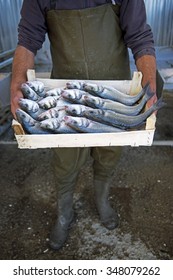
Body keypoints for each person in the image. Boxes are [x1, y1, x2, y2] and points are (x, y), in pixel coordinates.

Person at [11, 0, 158, 250]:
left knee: (109, 154)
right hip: (67, 94)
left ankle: (102, 200)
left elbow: (140, 36)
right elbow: (28, 39)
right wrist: (16, 83)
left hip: (112, 92)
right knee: (65, 160)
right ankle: (64, 213)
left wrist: (150, 86)